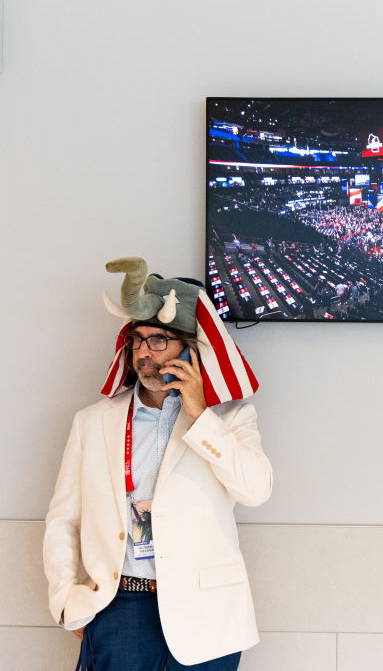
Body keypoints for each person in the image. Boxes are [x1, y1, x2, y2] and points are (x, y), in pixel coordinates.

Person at [43, 256, 271, 670]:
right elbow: (63, 520)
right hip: (118, 607)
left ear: (192, 348)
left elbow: (255, 490)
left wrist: (201, 415)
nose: (144, 353)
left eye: (159, 340)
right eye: (138, 340)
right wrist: (66, 599)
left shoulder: (230, 418)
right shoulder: (92, 422)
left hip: (207, 611)